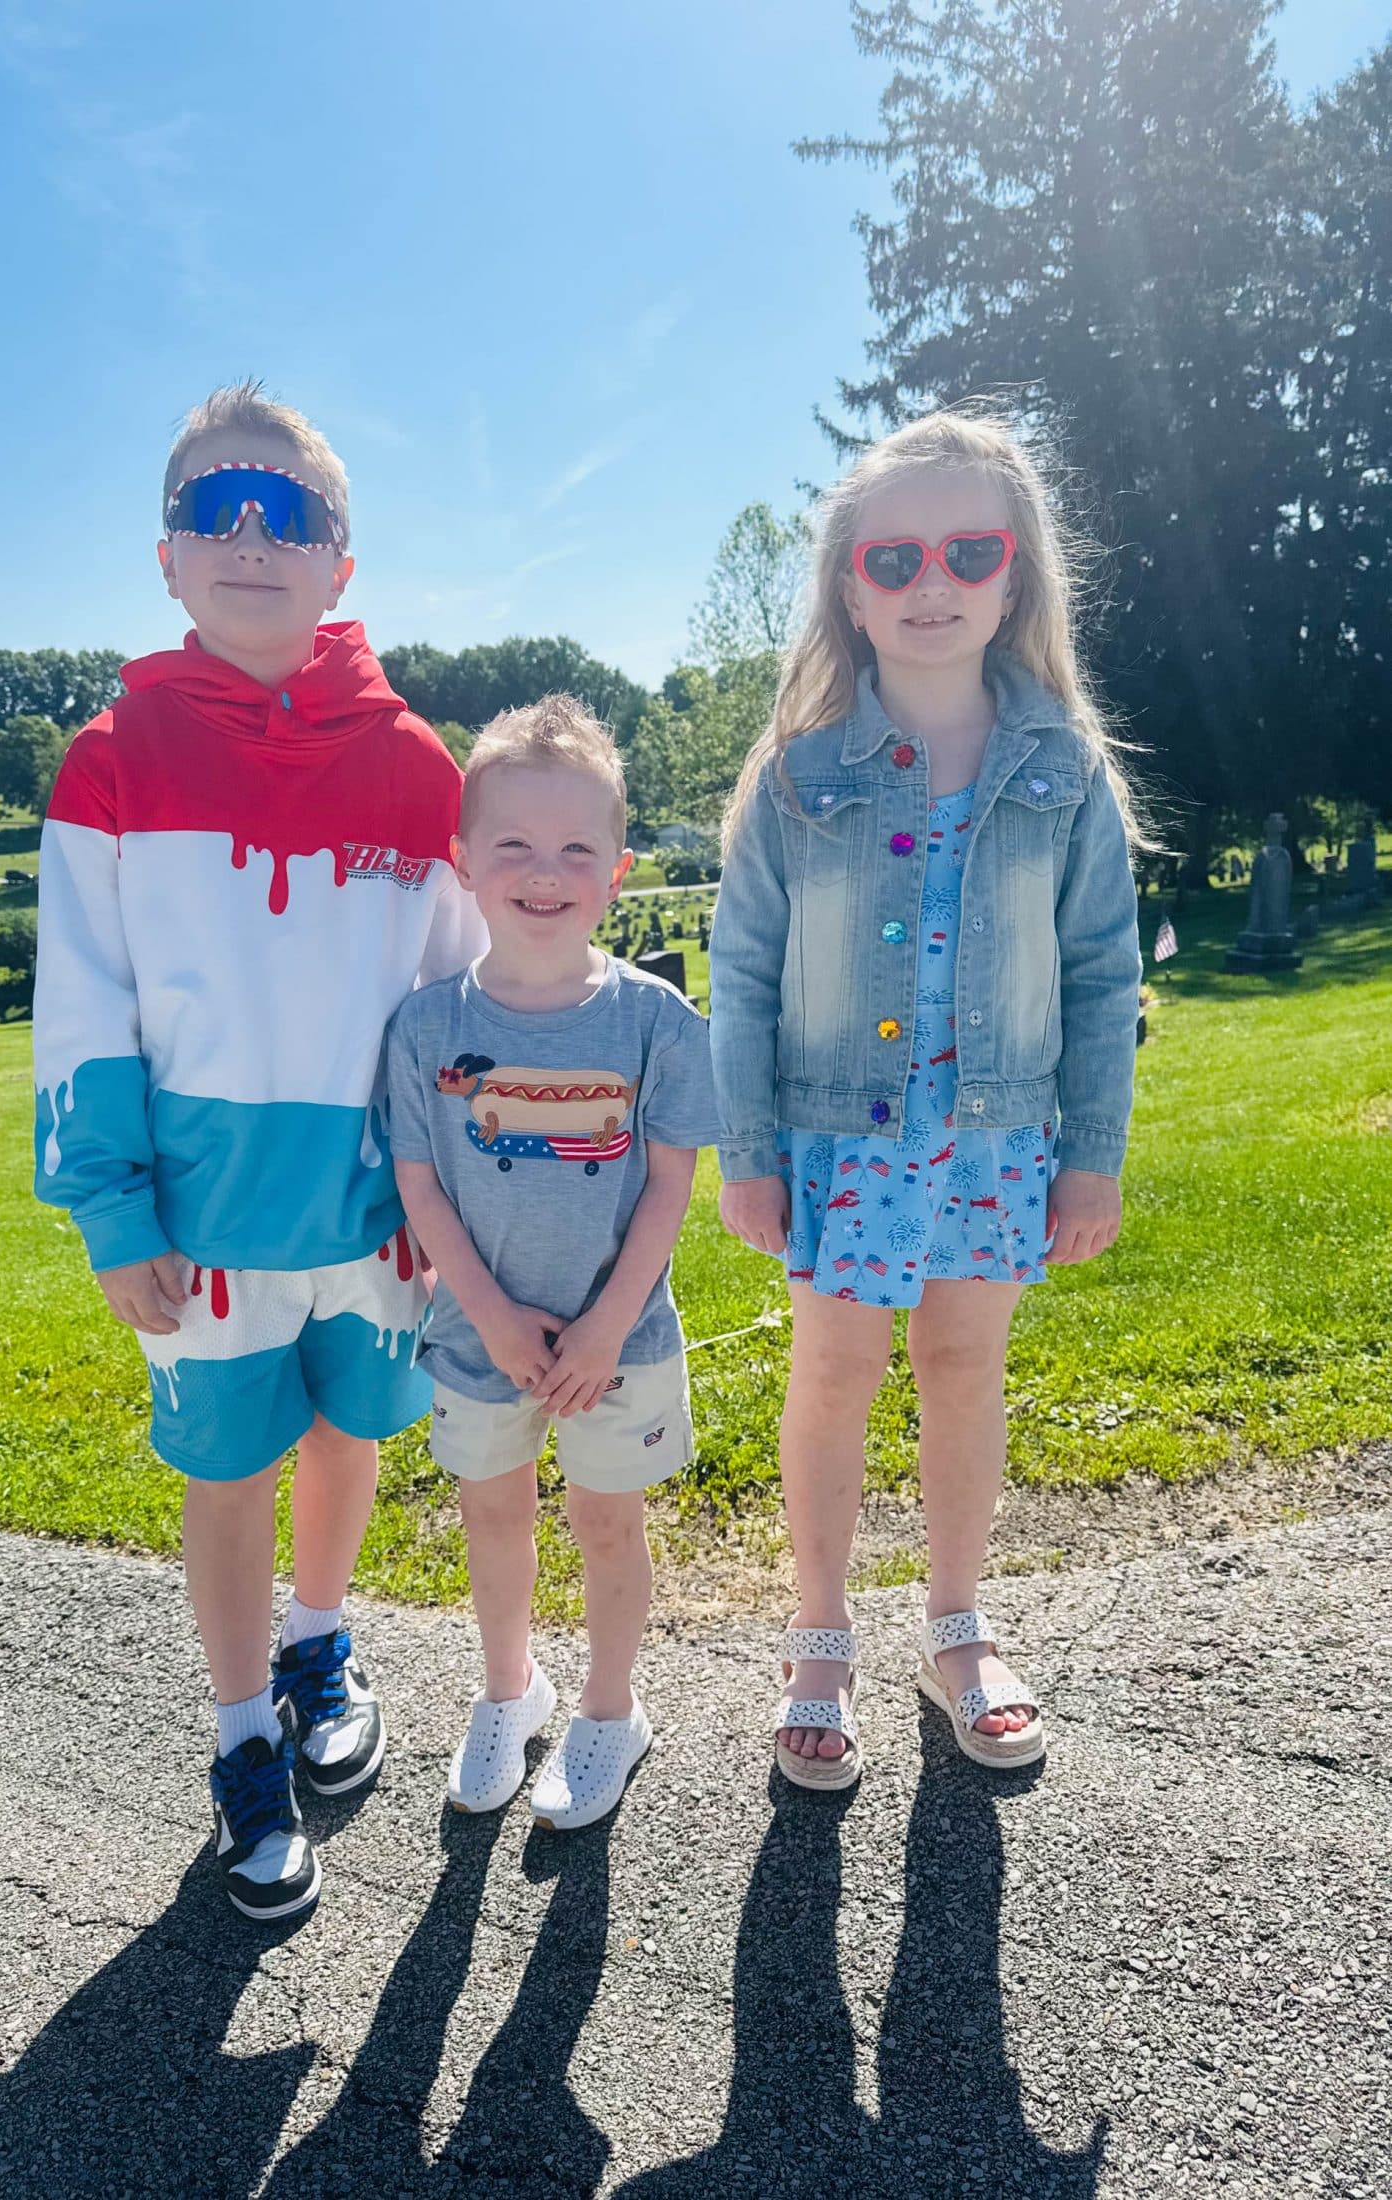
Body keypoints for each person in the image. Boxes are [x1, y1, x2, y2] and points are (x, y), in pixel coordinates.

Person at [33, 381, 483, 1916]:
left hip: (376, 1221)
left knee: (350, 1434)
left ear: (338, 562)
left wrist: (449, 1194)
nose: (248, 536)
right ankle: (242, 1738)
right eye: (211, 508)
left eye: (284, 512)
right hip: (203, 1229)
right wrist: (112, 1211)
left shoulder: (420, 769)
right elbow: (83, 1006)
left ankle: (318, 1646)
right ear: (165, 556)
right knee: (229, 1473)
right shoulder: (110, 761)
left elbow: (456, 1004)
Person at [709, 409, 1143, 1786]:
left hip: (997, 1141)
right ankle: (820, 1634)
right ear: (851, 590)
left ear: (1016, 578)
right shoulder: (796, 777)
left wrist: (1092, 1155)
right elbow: (743, 974)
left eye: (968, 551)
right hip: (840, 1141)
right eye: (892, 559)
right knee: (833, 1371)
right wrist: (747, 1152)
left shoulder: (1065, 770)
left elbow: (1100, 972)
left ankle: (955, 1625)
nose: (930, 583)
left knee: (964, 1368)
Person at [386, 696, 718, 1830]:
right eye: (515, 844)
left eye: (577, 848)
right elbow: (421, 1185)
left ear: (616, 873)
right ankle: (508, 1690)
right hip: (477, 1338)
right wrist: (490, 1313)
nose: (544, 871)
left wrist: (607, 1325)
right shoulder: (425, 1030)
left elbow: (668, 1187)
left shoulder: (657, 1022)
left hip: (620, 1338)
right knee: (493, 1518)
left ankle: (609, 1710)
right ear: (463, 862)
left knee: (608, 1524)